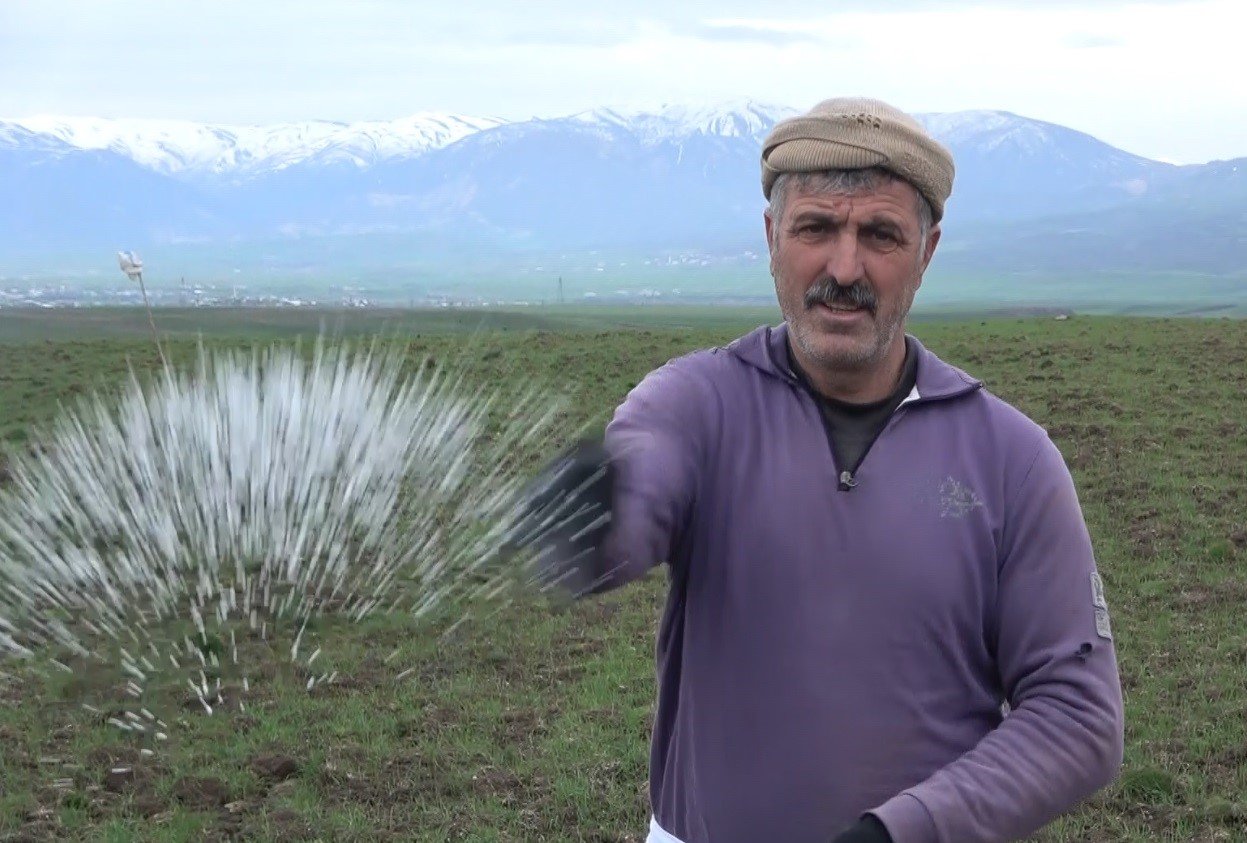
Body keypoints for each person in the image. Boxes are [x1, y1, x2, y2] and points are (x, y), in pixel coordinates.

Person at [512, 97, 1124, 843]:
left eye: (880, 234)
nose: (843, 266)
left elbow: (1078, 713)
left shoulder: (1011, 460)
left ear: (926, 253)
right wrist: (599, 516)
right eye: (815, 228)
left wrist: (905, 831)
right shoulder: (696, 403)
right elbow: (645, 482)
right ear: (772, 238)